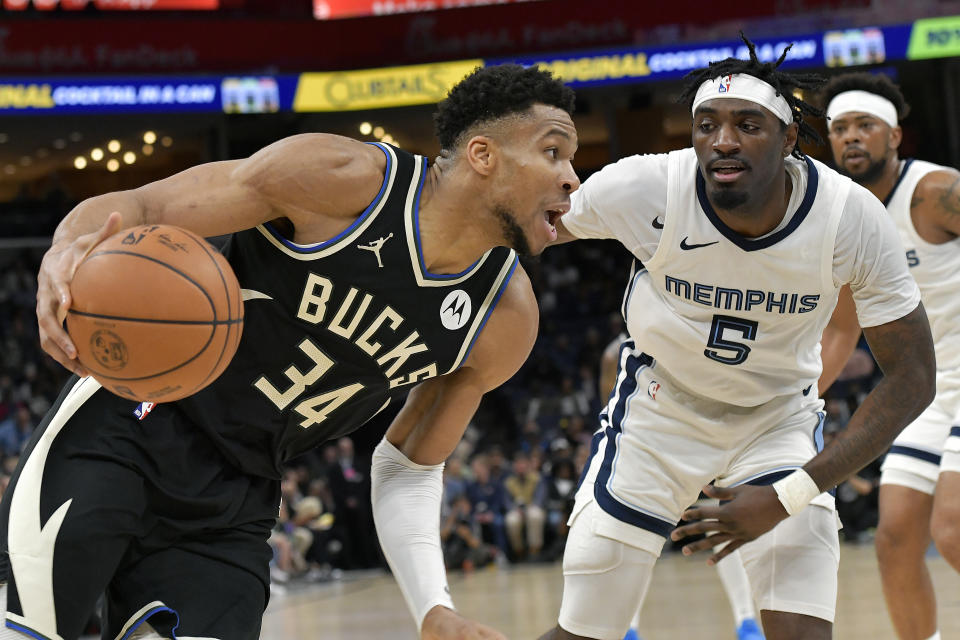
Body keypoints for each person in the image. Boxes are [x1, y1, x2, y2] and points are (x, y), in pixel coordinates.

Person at [0, 64, 579, 640]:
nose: (572, 178)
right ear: (483, 155)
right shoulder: (342, 180)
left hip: (237, 493)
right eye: (554, 153)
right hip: (128, 424)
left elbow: (408, 467)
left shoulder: (503, 319)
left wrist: (433, 606)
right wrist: (67, 248)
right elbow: (143, 208)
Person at [537, 35, 935, 640]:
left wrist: (789, 495)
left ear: (789, 138)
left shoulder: (849, 217)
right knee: (585, 632)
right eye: (706, 125)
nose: (722, 141)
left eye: (748, 124)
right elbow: (525, 229)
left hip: (775, 421)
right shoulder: (646, 188)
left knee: (802, 632)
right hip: (657, 414)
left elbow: (913, 378)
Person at [823, 71, 960, 640]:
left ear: (895, 136)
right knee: (894, 540)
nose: (851, 137)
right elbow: (840, 330)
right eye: (839, 128)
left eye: (865, 125)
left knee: (953, 529)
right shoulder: (846, 223)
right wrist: (792, 397)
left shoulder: (936, 191)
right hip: (926, 391)